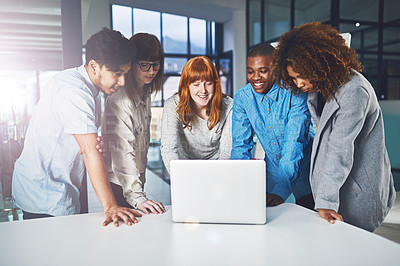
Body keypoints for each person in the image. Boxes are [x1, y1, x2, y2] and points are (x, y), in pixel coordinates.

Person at [272, 21, 396, 232]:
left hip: (358, 193)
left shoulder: (355, 90)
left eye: (301, 75)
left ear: (319, 64)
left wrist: (326, 201)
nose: (298, 84)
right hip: (334, 190)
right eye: (293, 78)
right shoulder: (317, 89)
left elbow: (340, 148)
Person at [12, 28, 142, 227]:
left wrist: (90, 140)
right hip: (44, 191)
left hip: (53, 184)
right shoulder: (74, 92)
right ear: (93, 66)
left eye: (125, 74)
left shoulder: (83, 83)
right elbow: (89, 151)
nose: (122, 81)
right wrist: (110, 207)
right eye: (117, 74)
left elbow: (78, 137)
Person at [231, 43, 314, 209]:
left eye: (263, 71)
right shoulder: (243, 97)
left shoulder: (295, 92)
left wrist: (281, 189)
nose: (255, 77)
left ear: (275, 68)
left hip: (307, 171)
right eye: (250, 71)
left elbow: (294, 142)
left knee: (310, 224)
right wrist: (238, 182)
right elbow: (241, 145)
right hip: (272, 172)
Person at [102, 33, 166, 215]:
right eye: (144, 64)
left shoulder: (145, 93)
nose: (151, 71)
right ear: (131, 64)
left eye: (155, 64)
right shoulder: (120, 101)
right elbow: (122, 152)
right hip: (120, 185)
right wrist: (137, 197)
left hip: (136, 180)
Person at [161, 56, 233, 173]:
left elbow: (226, 152)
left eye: (208, 83)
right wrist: (179, 178)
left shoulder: (229, 106)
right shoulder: (172, 105)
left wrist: (219, 178)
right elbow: (169, 150)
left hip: (217, 168)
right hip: (184, 168)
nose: (203, 90)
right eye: (196, 84)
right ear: (186, 86)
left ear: (215, 84)